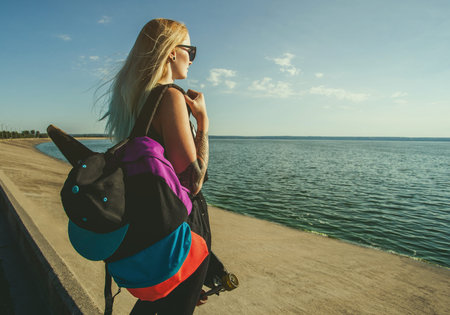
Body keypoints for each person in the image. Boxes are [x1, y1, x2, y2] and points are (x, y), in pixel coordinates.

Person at [101, 18, 212, 314]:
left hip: (153, 230)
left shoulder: (136, 101)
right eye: (191, 50)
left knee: (152, 306)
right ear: (173, 52)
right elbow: (192, 181)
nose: (192, 59)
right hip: (181, 231)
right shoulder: (169, 96)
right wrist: (202, 123)